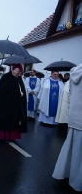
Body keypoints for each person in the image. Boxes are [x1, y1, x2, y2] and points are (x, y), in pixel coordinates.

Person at [52, 64, 82, 192]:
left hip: (76, 117)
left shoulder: (76, 71)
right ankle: (76, 181)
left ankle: (67, 174)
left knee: (73, 150)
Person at [0, 64, 27, 142]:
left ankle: (12, 136)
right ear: (12, 69)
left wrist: (21, 94)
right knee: (6, 121)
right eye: (17, 71)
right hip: (6, 105)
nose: (18, 73)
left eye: (20, 71)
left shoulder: (19, 79)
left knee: (15, 122)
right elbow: (2, 90)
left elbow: (21, 89)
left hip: (16, 105)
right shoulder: (6, 78)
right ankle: (5, 137)